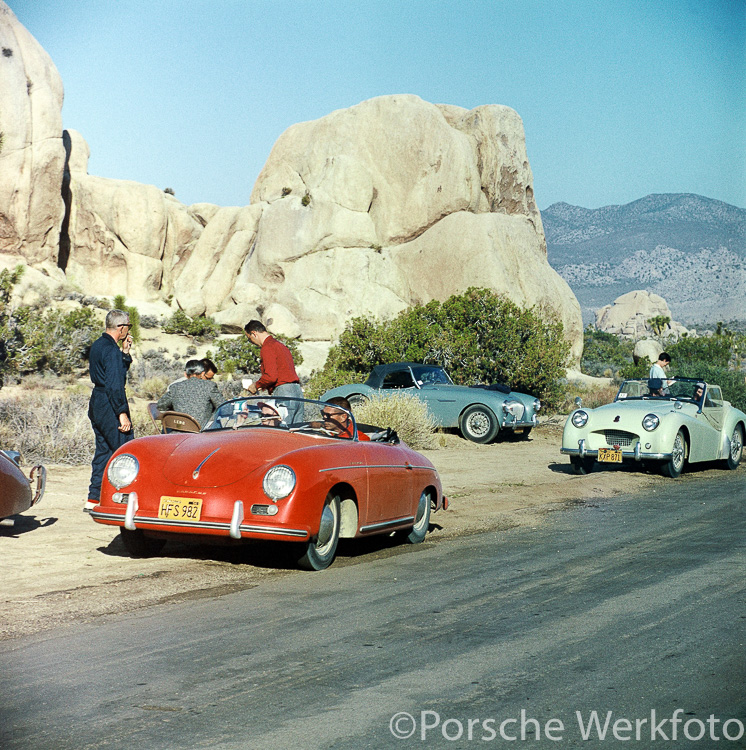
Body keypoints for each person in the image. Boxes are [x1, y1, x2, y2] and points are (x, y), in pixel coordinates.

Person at [85, 309, 134, 512]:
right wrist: (121, 413)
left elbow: (112, 372)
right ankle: (126, 498)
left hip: (97, 401)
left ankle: (93, 498)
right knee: (127, 449)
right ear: (121, 328)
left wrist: (125, 354)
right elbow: (115, 384)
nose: (128, 331)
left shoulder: (98, 345)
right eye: (128, 327)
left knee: (103, 451)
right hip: (109, 402)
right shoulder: (111, 350)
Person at [244, 320, 303, 423]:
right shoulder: (281, 346)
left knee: (282, 432)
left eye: (250, 339)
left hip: (284, 392)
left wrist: (256, 385)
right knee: (296, 431)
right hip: (297, 393)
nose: (252, 343)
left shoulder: (267, 347)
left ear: (254, 333)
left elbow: (271, 376)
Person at [157, 359, 223, 429]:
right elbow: (223, 406)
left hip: (179, 431)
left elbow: (161, 405)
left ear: (185, 374)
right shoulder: (210, 386)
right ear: (202, 373)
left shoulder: (174, 387)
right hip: (203, 432)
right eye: (208, 378)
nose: (209, 380)